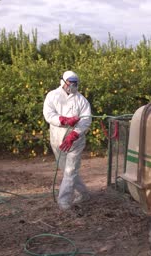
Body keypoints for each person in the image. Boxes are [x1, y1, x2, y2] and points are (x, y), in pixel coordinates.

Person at [43, 70, 92, 210]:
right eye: (70, 83)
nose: (73, 86)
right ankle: (84, 194)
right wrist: (63, 120)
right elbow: (48, 114)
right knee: (66, 169)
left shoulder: (81, 100)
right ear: (63, 82)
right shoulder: (52, 96)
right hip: (57, 138)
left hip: (75, 141)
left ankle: (64, 202)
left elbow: (86, 120)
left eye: (75, 84)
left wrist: (75, 134)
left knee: (71, 170)